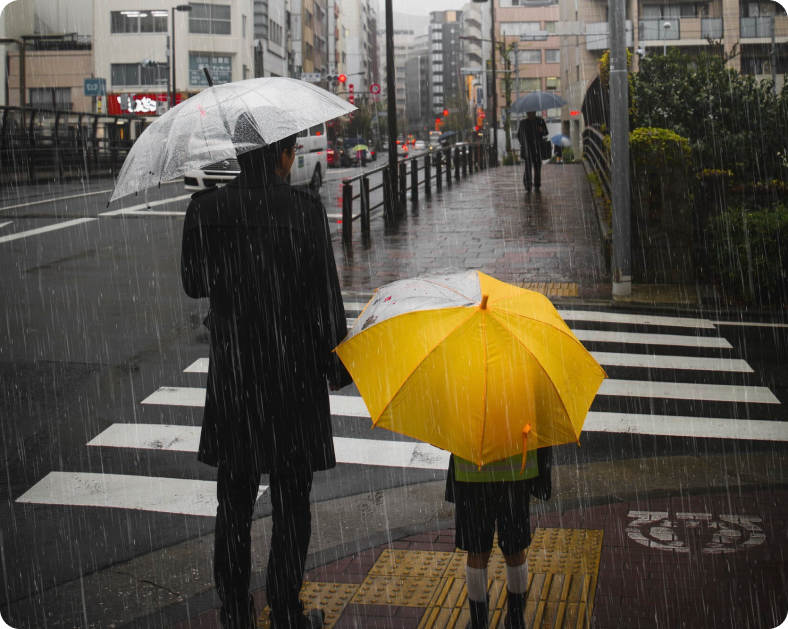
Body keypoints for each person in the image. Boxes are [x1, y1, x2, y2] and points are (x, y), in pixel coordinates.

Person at [181, 121, 352, 629]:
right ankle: (284, 606)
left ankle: (234, 610)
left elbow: (193, 284)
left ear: (238, 154)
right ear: (280, 154)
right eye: (292, 147)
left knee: (233, 501)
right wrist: (333, 363)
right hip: (293, 374)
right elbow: (325, 297)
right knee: (291, 500)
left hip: (236, 375)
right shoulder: (303, 211)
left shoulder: (206, 209)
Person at [445, 447, 552, 629]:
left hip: (472, 470)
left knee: (477, 550)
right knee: (515, 549)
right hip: (516, 469)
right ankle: (516, 620)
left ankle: (479, 623)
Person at [516, 111, 548, 192]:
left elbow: (546, 132)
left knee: (537, 167)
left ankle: (537, 183)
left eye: (532, 114)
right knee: (528, 167)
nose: (530, 116)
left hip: (538, 148)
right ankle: (528, 184)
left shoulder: (540, 121)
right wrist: (524, 143)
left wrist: (542, 130)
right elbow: (519, 135)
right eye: (529, 114)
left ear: (534, 113)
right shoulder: (523, 123)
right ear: (527, 114)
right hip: (528, 148)